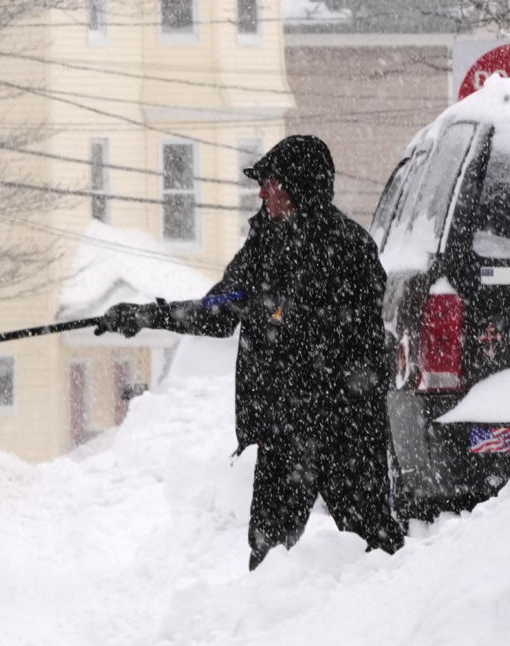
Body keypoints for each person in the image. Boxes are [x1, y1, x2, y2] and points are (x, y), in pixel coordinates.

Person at [95, 135, 405, 571]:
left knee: (377, 550)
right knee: (268, 558)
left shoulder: (350, 249)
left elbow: (361, 346)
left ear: (297, 185)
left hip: (345, 429)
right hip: (285, 429)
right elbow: (219, 312)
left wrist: (284, 315)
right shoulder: (265, 246)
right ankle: (268, 637)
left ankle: (396, 630)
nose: (262, 192)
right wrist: (146, 316)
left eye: (271, 181)